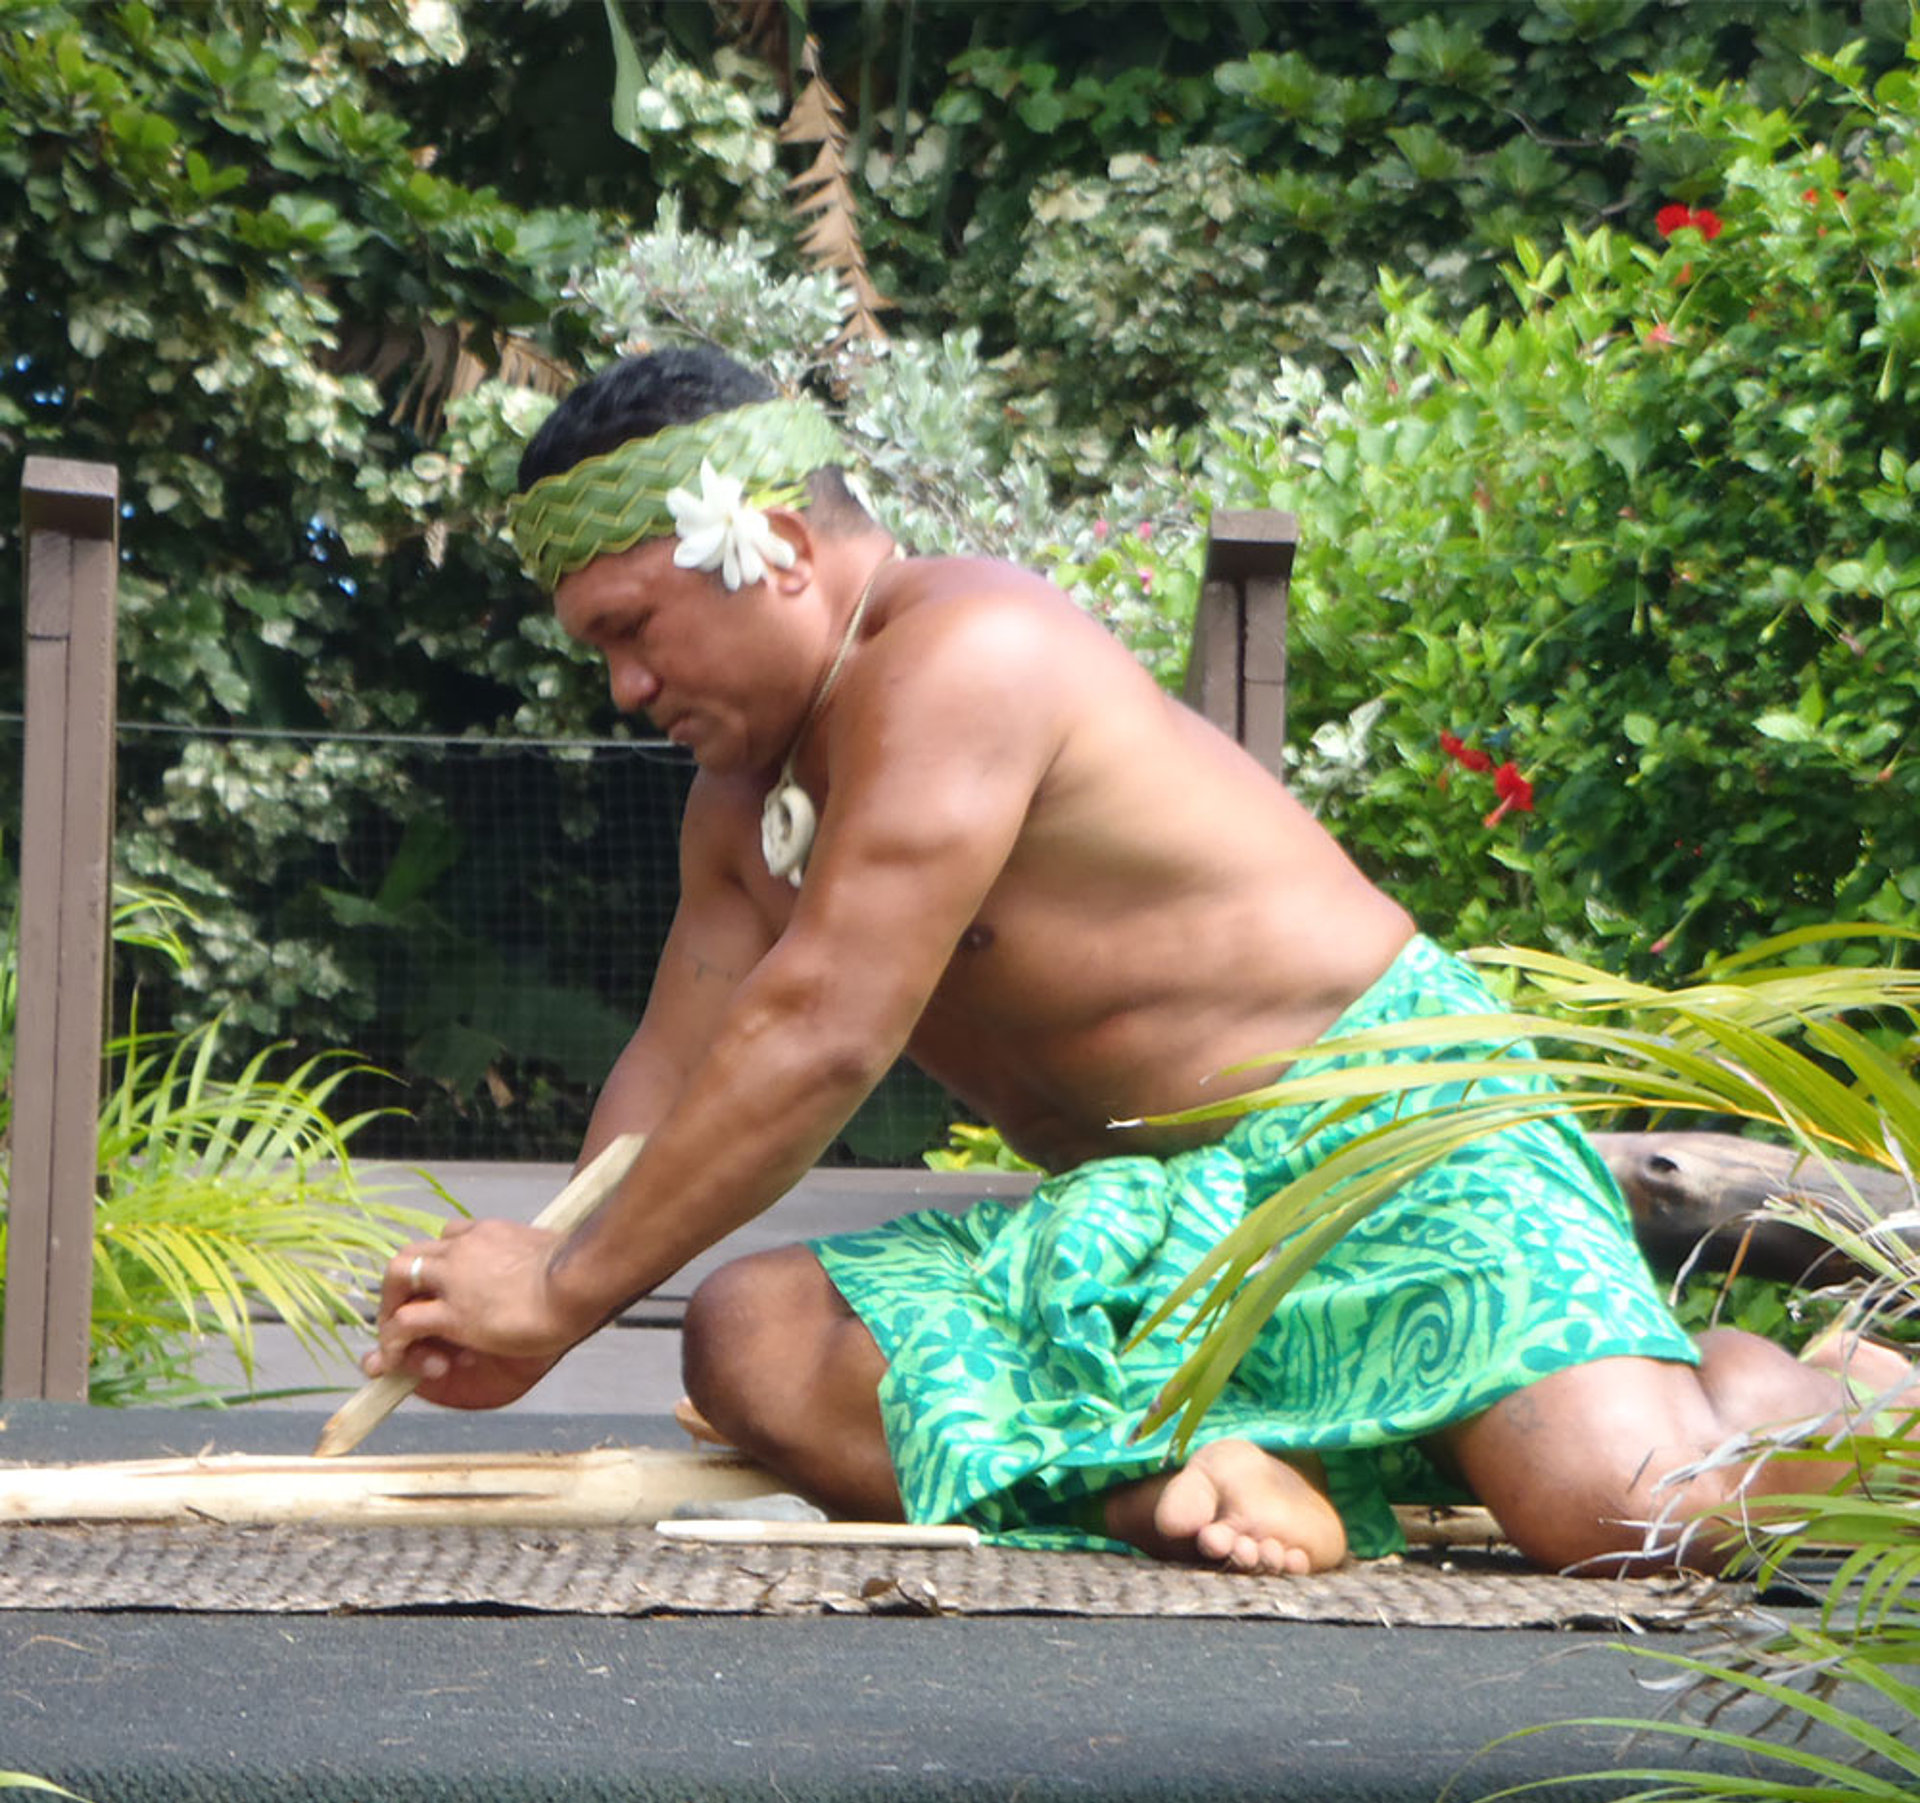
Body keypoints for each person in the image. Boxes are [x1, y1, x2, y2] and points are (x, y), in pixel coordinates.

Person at [371, 345, 1909, 1577]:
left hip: (1388, 1144)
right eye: (600, 651)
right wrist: (535, 1289)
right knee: (753, 1334)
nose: (626, 687)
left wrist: (560, 1293)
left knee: (1627, 1510)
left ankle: (1839, 1390)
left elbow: (820, 1032)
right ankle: (1194, 1491)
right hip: (1151, 1229)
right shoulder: (738, 805)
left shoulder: (965, 651)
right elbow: (677, 1069)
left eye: (634, 629)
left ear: (769, 545)